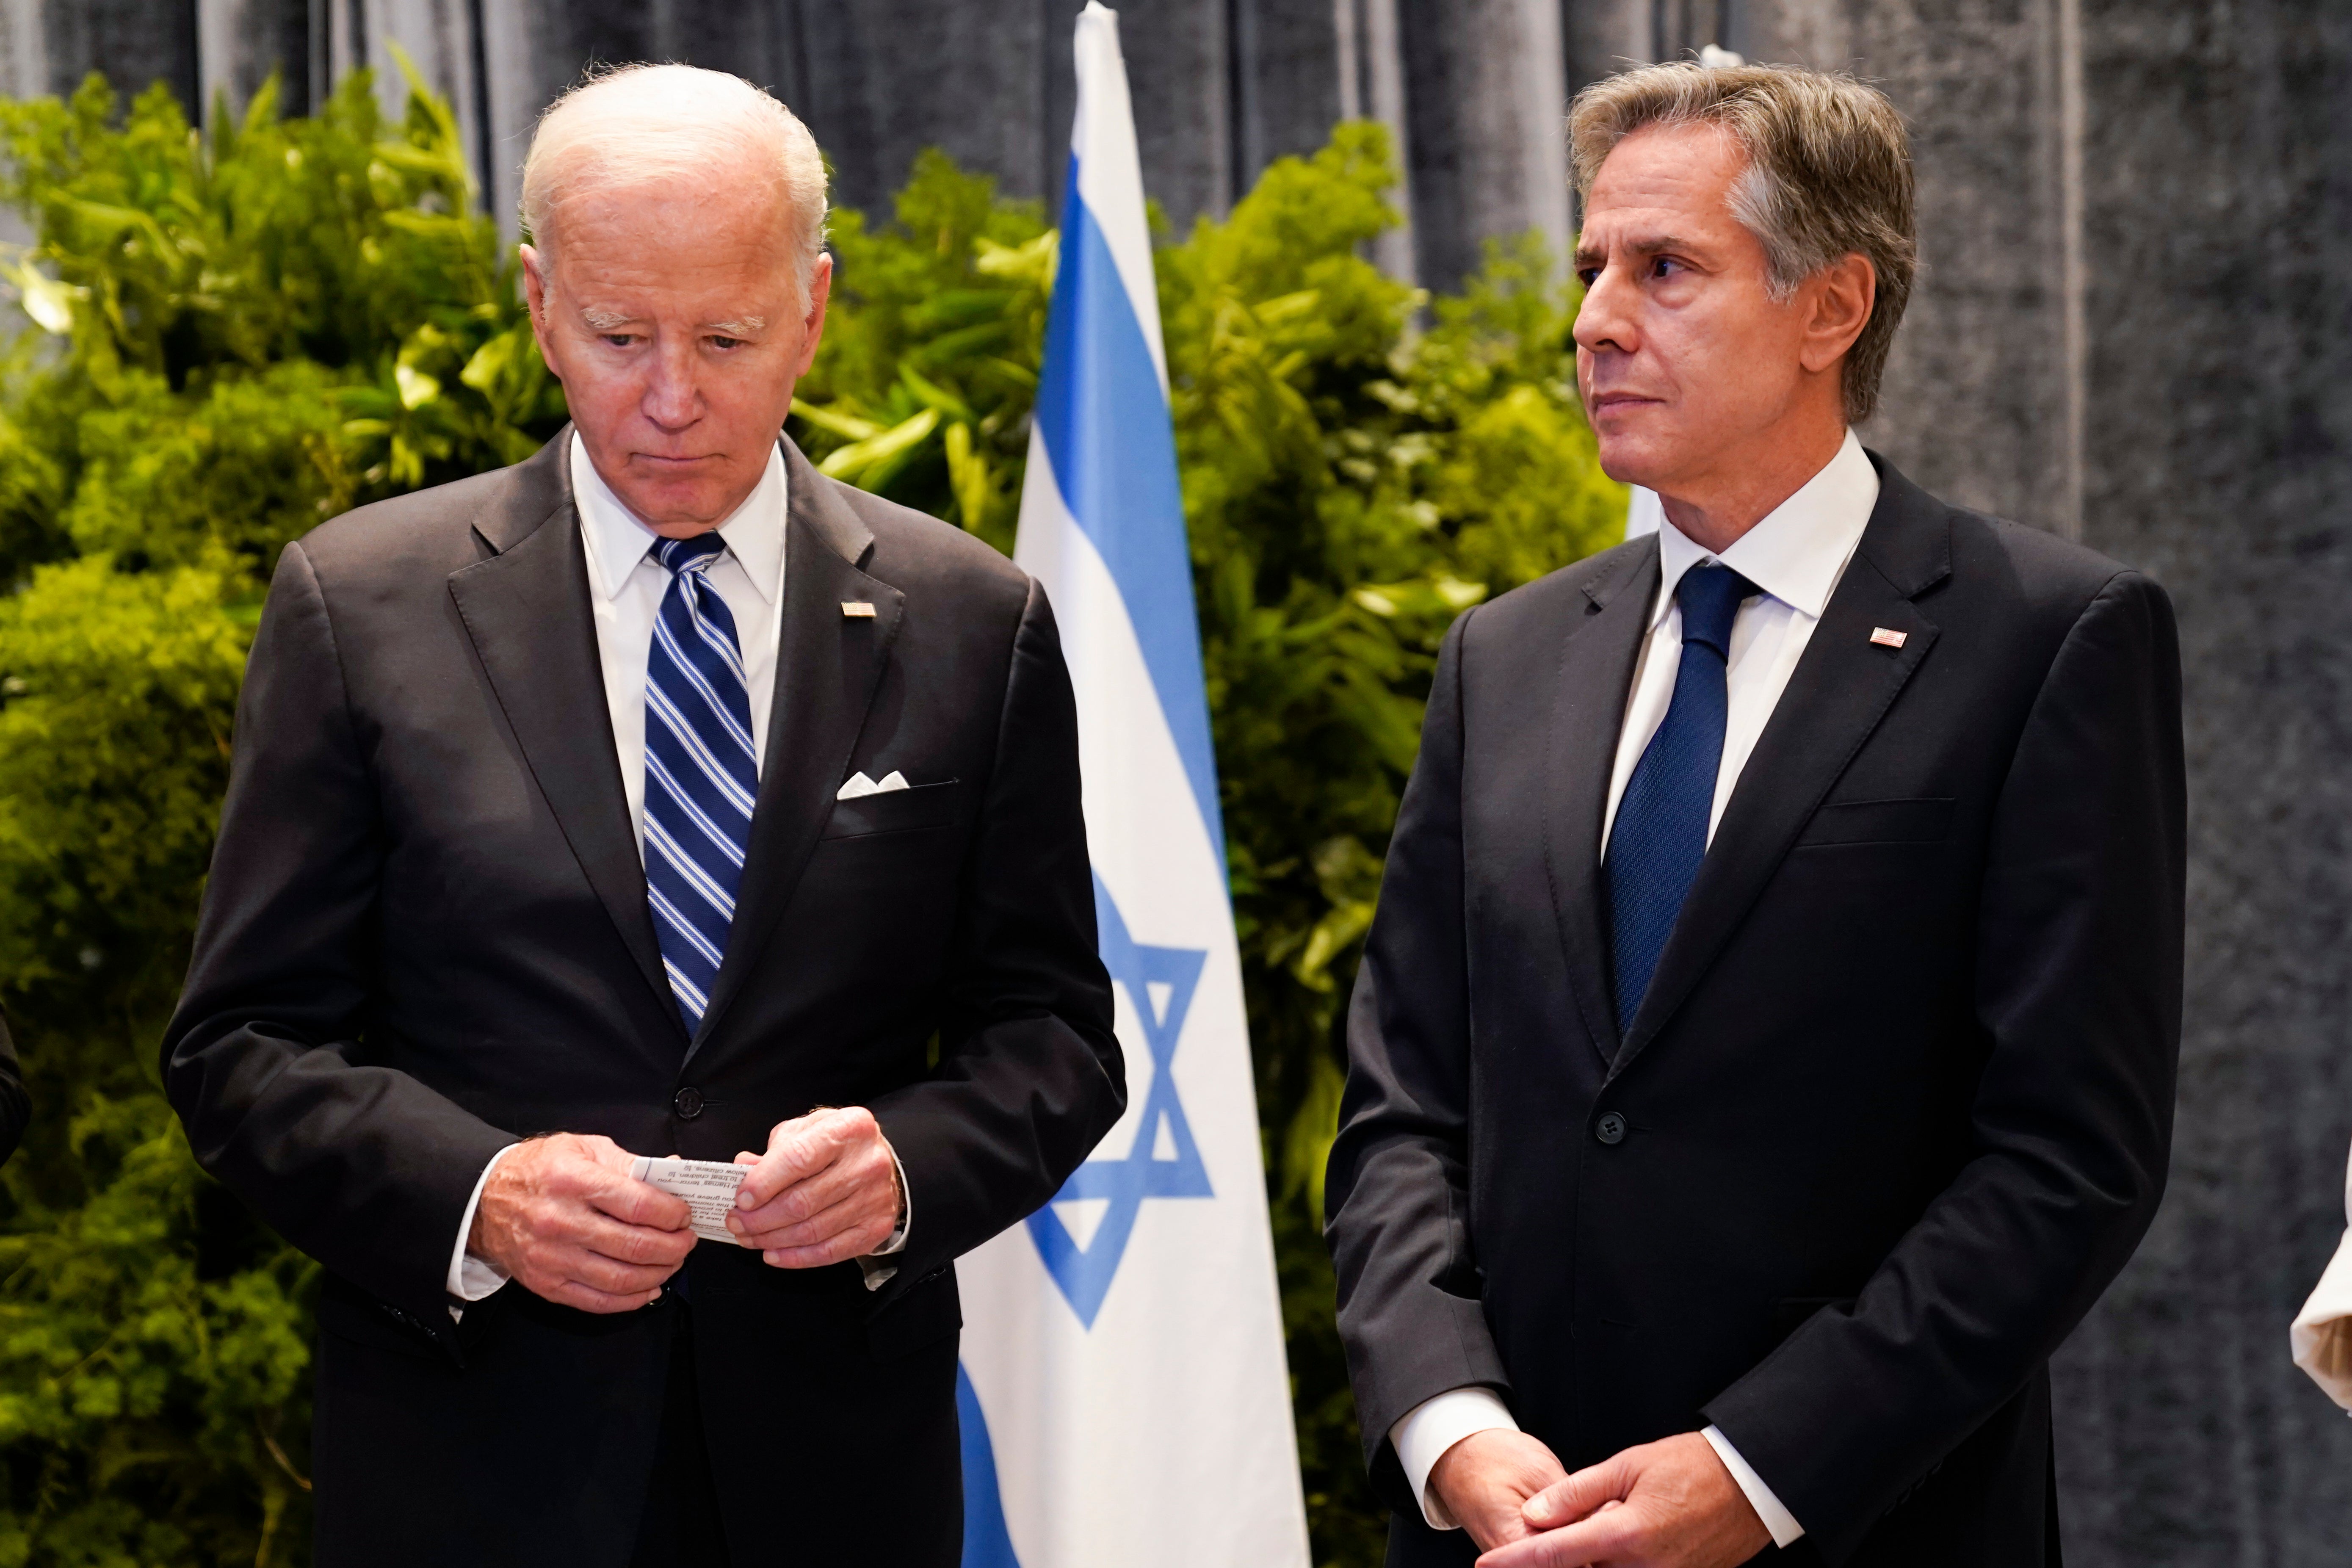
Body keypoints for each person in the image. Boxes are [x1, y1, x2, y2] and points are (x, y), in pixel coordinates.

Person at [161, 64, 1121, 1567]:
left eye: (727, 339)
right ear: (541, 306)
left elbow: (1053, 1040)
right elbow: (241, 1049)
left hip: (832, 1480)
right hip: (469, 1473)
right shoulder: (360, 604)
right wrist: (478, 1196)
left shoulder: (967, 620)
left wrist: (904, 1170)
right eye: (618, 338)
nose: (672, 399)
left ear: (812, 309)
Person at [1326, 61, 2183, 1568]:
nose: (1593, 319)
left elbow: (2064, 1159)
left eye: (1663, 269)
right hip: (1502, 1525)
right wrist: (1447, 1422)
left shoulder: (2048, 637)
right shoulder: (1504, 655)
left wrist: (1759, 1468)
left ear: (1830, 309)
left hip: (1859, 1520)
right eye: (1591, 267)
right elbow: (1406, 1099)